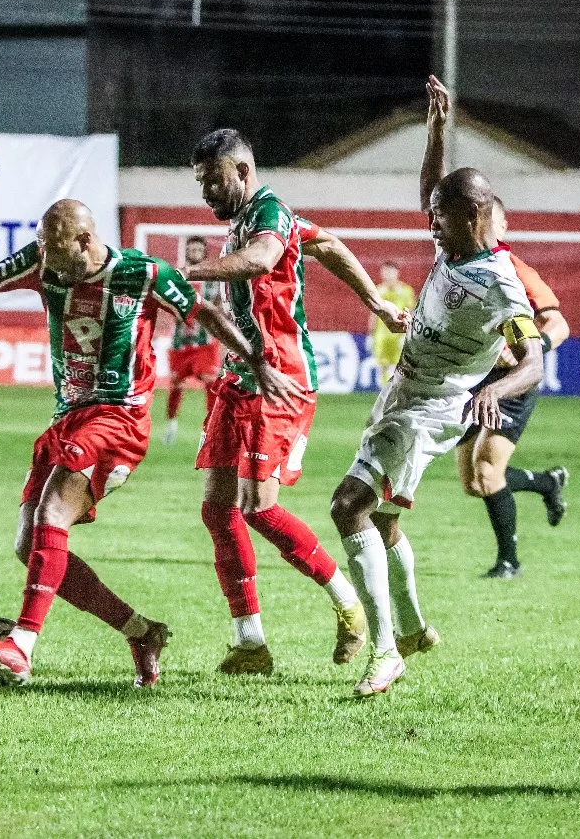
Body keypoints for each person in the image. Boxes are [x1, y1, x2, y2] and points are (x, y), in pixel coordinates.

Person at [0, 200, 303, 688]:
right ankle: (141, 632)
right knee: (29, 544)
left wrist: (257, 362)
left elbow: (208, 313)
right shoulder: (41, 260)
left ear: (86, 241)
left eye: (55, 245)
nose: (45, 255)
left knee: (52, 513)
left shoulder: (142, 273)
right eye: (42, 244)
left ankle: (21, 646)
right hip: (67, 417)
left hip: (119, 420)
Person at [329, 76, 543, 698]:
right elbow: (431, 187)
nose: (432, 226)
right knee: (386, 520)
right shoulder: (453, 247)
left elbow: (532, 362)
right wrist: (436, 129)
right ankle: (418, 627)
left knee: (348, 507)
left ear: (476, 216)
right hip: (405, 392)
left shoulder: (503, 282)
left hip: (432, 406)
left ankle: (387, 651)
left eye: (441, 218)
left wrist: (494, 393)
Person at [185, 129, 408, 675]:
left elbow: (261, 260)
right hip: (240, 376)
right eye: (201, 185)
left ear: (242, 171)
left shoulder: (269, 213)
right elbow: (328, 245)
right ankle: (250, 640)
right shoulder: (244, 220)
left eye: (213, 182)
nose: (207, 195)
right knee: (217, 508)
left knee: (258, 506)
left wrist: (187, 271)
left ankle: (348, 604)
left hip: (280, 379)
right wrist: (376, 301)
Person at [455, 199, 573, 579]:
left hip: (512, 383)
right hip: (474, 381)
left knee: (488, 472)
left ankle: (509, 562)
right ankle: (546, 482)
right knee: (472, 482)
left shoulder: (515, 270)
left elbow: (559, 324)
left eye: (490, 223)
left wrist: (528, 351)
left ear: (502, 228)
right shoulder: (456, 269)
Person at [163, 235, 222, 445]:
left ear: (204, 253)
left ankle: (211, 429)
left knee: (210, 383)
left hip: (204, 343)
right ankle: (171, 424)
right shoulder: (176, 277)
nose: (195, 253)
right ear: (186, 252)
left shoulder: (212, 277)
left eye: (199, 250)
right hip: (180, 343)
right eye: (191, 249)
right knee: (176, 385)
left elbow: (219, 306)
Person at [370, 262, 416, 385]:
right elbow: (373, 314)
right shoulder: (378, 290)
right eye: (384, 272)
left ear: (397, 273)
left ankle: (394, 392)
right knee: (382, 366)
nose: (387, 275)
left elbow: (411, 312)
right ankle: (383, 392)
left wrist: (409, 333)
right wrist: (370, 334)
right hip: (381, 336)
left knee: (397, 366)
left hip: (399, 335)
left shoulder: (406, 291)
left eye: (390, 272)